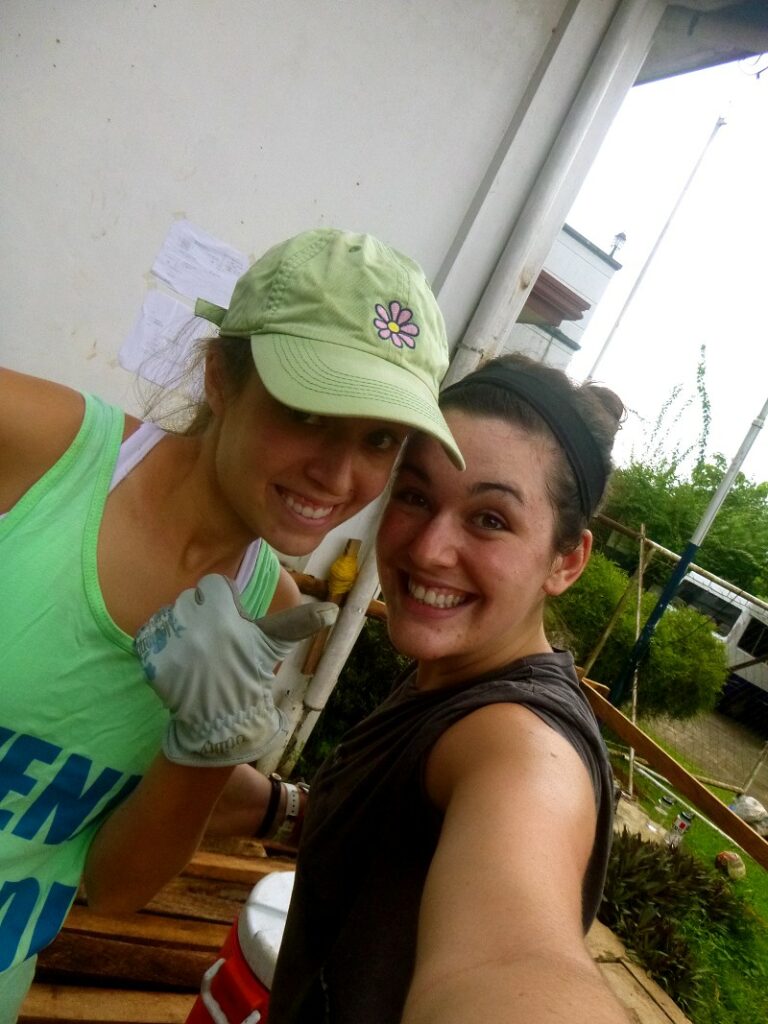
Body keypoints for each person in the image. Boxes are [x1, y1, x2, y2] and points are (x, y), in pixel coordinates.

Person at [0, 226, 463, 1020]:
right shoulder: (34, 447)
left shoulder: (268, 619)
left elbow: (115, 887)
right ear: (220, 377)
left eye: (380, 439)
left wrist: (206, 747)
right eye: (308, 413)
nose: (338, 475)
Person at [263, 353, 632, 1023]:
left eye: (491, 519)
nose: (428, 548)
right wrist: (277, 809)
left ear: (566, 561)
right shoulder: (452, 673)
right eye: (415, 496)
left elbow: (514, 962)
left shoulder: (520, 746)